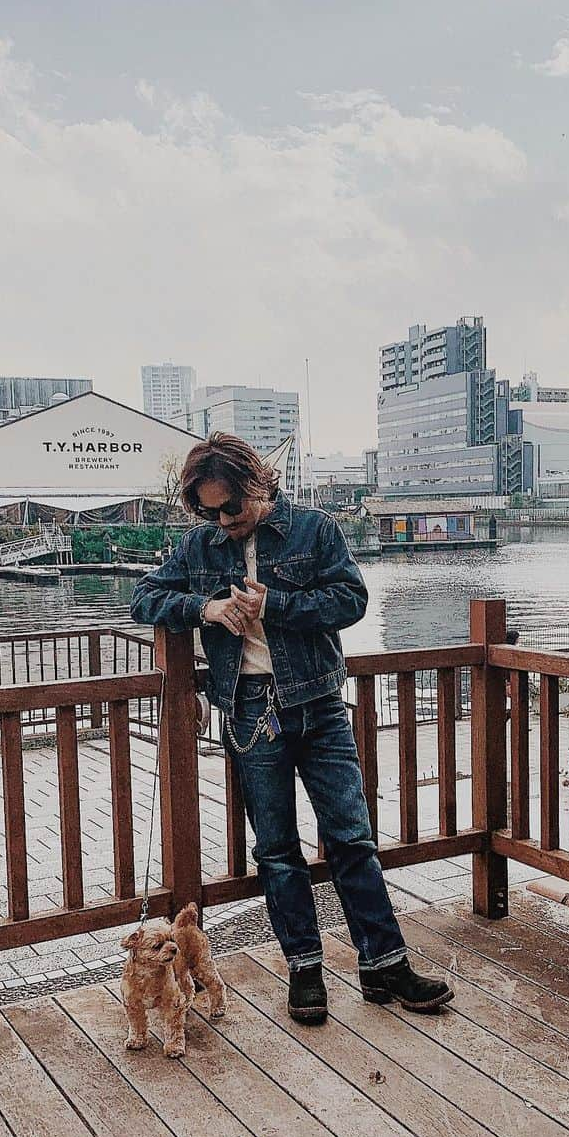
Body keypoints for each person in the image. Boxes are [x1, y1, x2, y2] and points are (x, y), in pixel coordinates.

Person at [131, 433, 452, 1024]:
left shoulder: (315, 530)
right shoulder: (199, 547)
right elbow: (142, 598)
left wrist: (272, 605)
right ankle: (304, 968)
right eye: (208, 510)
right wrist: (202, 610)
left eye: (230, 506)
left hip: (321, 705)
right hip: (250, 711)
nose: (221, 520)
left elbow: (350, 600)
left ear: (258, 486)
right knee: (277, 851)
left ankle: (384, 965)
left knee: (352, 839)